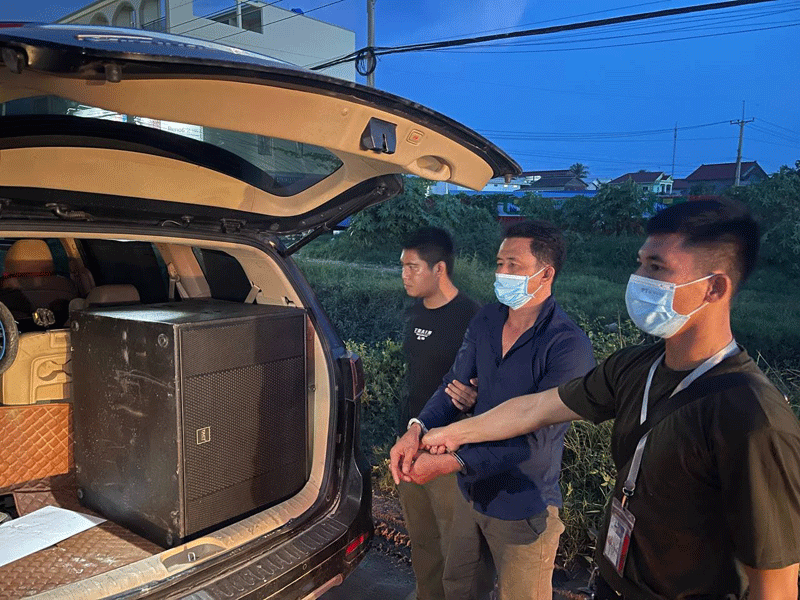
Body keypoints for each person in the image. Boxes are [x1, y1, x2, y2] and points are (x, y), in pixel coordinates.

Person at [422, 200, 800, 600]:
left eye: (657, 268)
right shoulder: (634, 367)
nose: (638, 280)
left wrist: (453, 447)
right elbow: (535, 408)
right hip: (614, 585)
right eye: (640, 264)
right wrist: (446, 434)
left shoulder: (752, 418)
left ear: (715, 288)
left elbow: (775, 586)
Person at [391, 220, 596, 600]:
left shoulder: (568, 347)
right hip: (471, 494)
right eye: (499, 263)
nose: (501, 273)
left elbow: (533, 440)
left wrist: (451, 460)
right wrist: (417, 428)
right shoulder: (487, 319)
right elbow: (453, 385)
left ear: (545, 273)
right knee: (459, 588)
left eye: (513, 265)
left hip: (523, 502)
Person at [398, 227, 481, 600]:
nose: (404, 275)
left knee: (456, 544)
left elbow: (492, 384)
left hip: (447, 449)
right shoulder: (415, 310)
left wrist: (476, 396)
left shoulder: (472, 317)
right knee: (422, 538)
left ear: (440, 269)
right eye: (403, 266)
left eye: (412, 267)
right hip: (410, 440)